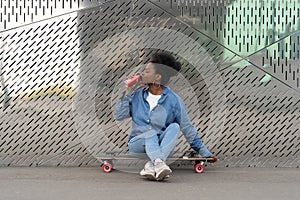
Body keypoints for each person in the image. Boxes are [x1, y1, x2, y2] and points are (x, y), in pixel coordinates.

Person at [115, 52, 217, 181]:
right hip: (138, 144)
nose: (142, 74)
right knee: (150, 133)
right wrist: (128, 92)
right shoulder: (136, 95)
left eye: (147, 71)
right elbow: (119, 115)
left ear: (157, 77)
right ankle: (158, 163)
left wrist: (205, 153)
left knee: (174, 126)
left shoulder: (174, 100)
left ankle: (152, 166)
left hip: (160, 143)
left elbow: (187, 128)